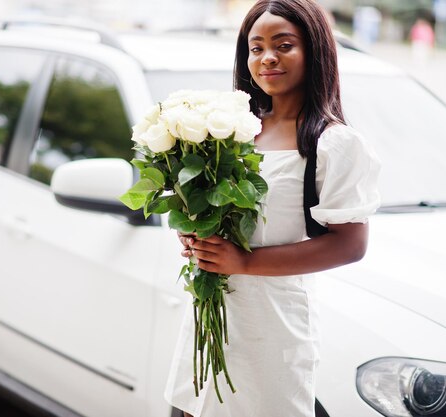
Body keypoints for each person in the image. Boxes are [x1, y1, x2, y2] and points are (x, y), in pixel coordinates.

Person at [164, 1, 381, 417]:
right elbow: (220, 215)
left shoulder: (333, 144)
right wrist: (198, 235)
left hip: (273, 324)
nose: (267, 58)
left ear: (314, 50)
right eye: (256, 46)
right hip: (213, 316)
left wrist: (241, 261)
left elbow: (350, 246)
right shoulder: (235, 131)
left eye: (284, 45)